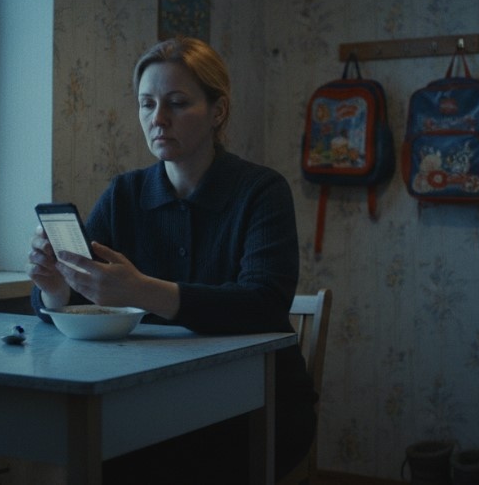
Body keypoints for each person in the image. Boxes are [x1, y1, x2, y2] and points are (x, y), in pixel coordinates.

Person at [27, 37, 316, 484]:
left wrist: (140, 290)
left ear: (218, 111)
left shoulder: (261, 191)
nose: (158, 119)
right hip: (149, 401)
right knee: (89, 451)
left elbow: (264, 303)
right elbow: (79, 295)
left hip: (254, 406)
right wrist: (56, 288)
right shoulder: (125, 194)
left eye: (177, 103)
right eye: (147, 104)